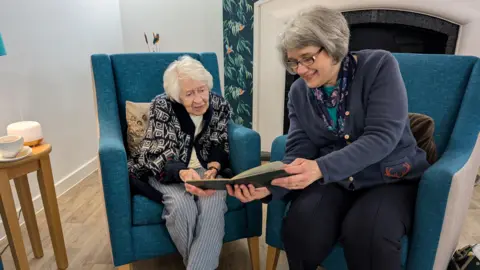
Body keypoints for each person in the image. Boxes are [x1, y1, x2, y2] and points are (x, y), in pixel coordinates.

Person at [227, 6, 431, 270]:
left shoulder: (379, 66)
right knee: (302, 227)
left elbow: (383, 137)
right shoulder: (300, 92)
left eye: (307, 58)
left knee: (367, 233)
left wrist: (320, 168)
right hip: (336, 181)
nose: (299, 69)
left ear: (333, 45)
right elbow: (299, 150)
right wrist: (269, 186)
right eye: (293, 61)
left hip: (389, 179)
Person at [128, 55, 232, 270]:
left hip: (203, 168)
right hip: (164, 168)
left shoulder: (219, 104)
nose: (199, 99)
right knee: (182, 205)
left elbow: (220, 141)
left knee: (215, 197)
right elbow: (160, 149)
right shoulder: (162, 105)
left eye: (202, 90)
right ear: (176, 95)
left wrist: (213, 168)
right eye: (189, 93)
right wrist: (183, 173)